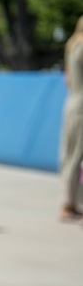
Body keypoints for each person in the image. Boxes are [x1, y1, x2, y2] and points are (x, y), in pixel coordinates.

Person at [59, 14, 83, 223]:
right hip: (82, 106)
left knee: (70, 156)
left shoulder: (72, 47)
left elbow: (68, 80)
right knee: (77, 157)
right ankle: (70, 204)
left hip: (72, 103)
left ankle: (70, 202)